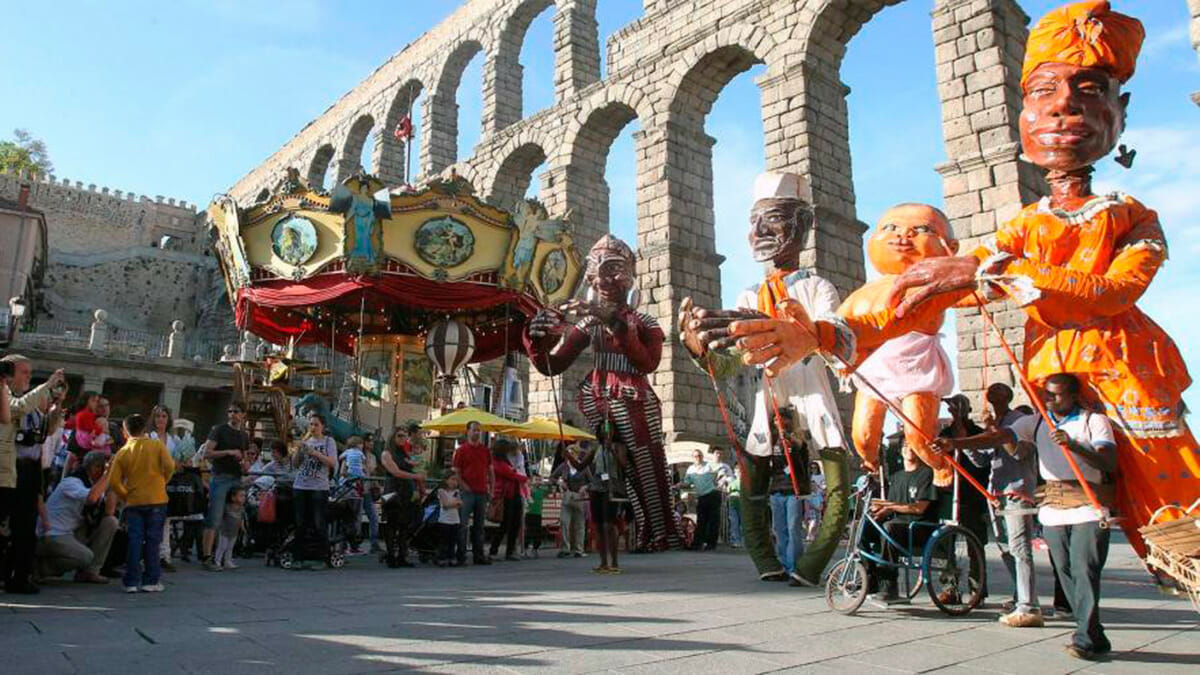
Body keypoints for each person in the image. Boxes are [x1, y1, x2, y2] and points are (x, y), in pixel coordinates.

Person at [678, 172, 850, 581]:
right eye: (753, 222)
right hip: (764, 396)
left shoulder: (817, 286)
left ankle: (810, 565)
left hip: (809, 389)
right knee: (752, 483)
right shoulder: (748, 295)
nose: (757, 232)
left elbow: (841, 338)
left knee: (837, 482)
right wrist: (699, 349)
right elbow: (731, 364)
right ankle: (766, 562)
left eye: (771, 220)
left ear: (802, 225)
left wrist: (809, 335)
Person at [938, 373, 1117, 659]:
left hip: (1088, 504)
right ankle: (1094, 633)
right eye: (1047, 393)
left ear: (1073, 396)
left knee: (1084, 570)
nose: (1049, 399)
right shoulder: (1035, 422)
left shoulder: (1093, 421)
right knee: (1066, 572)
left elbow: (1107, 460)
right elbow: (997, 437)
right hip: (1054, 507)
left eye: (1056, 394)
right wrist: (955, 444)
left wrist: (1073, 445)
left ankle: (1084, 637)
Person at [525, 234, 681, 552]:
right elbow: (553, 365)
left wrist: (610, 320)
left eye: (613, 269)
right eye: (596, 270)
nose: (603, 279)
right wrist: (536, 337)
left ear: (631, 273)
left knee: (647, 466)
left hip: (635, 400)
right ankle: (645, 532)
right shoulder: (589, 323)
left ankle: (663, 532)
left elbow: (647, 363)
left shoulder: (644, 321)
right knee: (624, 467)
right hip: (598, 399)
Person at [965, 383, 1042, 627]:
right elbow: (981, 460)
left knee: (1020, 548)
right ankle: (1021, 595)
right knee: (1006, 548)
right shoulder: (995, 421)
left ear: (1007, 396)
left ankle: (1028, 606)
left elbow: (1018, 453)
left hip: (1017, 491)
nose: (991, 391)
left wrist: (996, 431)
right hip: (996, 493)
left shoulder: (1020, 420)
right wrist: (968, 441)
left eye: (998, 388)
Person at [0, 355, 64, 594]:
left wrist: (57, 407)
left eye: (30, 372)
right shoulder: (8, 396)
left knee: (25, 527)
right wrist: (47, 385)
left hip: (29, 470)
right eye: (24, 372)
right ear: (9, 374)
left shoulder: (32, 405)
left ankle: (20, 576)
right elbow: (18, 408)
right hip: (10, 468)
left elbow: (46, 431)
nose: (28, 377)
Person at [864, 441, 939, 604]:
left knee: (889, 527)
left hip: (918, 528)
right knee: (863, 527)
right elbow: (890, 507)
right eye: (905, 445)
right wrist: (878, 514)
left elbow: (919, 508)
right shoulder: (897, 477)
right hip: (896, 525)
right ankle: (871, 577)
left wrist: (888, 506)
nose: (908, 448)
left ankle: (889, 585)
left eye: (912, 445)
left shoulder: (927, 474)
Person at [107, 413, 175, 593]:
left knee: (134, 540)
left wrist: (125, 495)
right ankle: (151, 580)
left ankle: (131, 581)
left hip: (134, 501)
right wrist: (163, 482)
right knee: (153, 540)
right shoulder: (156, 445)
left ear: (125, 432)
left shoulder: (123, 452)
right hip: (157, 499)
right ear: (145, 429)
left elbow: (113, 481)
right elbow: (170, 466)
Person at [35, 451, 118, 583]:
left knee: (110, 522)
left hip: (71, 531)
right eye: (101, 467)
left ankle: (90, 572)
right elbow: (91, 498)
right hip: (52, 533)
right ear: (94, 467)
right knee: (85, 557)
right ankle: (39, 569)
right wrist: (108, 473)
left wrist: (114, 480)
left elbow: (109, 512)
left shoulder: (94, 484)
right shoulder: (72, 482)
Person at [200, 402, 249, 570]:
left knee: (233, 520)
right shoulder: (219, 430)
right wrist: (228, 452)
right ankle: (207, 556)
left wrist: (245, 464)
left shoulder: (244, 435)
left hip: (236, 477)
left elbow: (245, 458)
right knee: (214, 517)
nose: (232, 414)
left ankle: (225, 557)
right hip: (220, 477)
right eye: (230, 411)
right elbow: (206, 453)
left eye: (236, 411)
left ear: (243, 414)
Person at [290, 414, 338, 568]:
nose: (313, 427)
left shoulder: (328, 441)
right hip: (301, 485)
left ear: (322, 426)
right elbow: (295, 464)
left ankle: (322, 558)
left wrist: (315, 453)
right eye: (311, 424)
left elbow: (332, 462)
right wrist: (298, 451)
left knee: (319, 522)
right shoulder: (306, 441)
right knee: (300, 523)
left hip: (319, 486)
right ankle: (298, 557)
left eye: (316, 424)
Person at [583, 424, 630, 574]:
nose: (606, 431)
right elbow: (581, 465)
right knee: (598, 526)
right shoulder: (596, 448)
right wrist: (568, 456)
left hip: (612, 486)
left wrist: (612, 451)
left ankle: (614, 561)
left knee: (608, 525)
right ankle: (603, 562)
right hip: (597, 486)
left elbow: (623, 465)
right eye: (603, 428)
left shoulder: (619, 446)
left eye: (608, 428)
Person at [381, 426, 425, 567]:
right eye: (399, 435)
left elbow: (414, 466)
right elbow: (395, 472)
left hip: (406, 491)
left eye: (404, 436)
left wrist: (418, 484)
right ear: (393, 437)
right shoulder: (386, 453)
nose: (403, 438)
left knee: (405, 525)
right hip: (392, 490)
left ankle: (402, 556)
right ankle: (391, 557)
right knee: (392, 525)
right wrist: (415, 476)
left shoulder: (404, 453)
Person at [452, 422, 493, 565]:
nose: (477, 433)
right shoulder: (461, 450)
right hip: (467, 492)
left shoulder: (485, 450)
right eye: (474, 430)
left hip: (482, 491)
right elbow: (456, 471)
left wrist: (491, 488)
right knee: (462, 525)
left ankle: (478, 555)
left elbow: (490, 471)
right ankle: (461, 555)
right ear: (468, 431)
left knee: (479, 526)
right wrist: (464, 485)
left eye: (479, 430)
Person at [147, 404, 179, 573]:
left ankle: (164, 555)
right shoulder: (148, 437)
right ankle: (147, 554)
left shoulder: (173, 439)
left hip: (167, 483)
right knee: (148, 519)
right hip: (149, 482)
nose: (160, 419)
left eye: (164, 416)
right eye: (158, 416)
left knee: (165, 519)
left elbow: (177, 460)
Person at [681, 448, 730, 551]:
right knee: (701, 520)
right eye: (695, 456)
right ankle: (697, 544)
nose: (698, 458)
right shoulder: (690, 469)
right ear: (692, 458)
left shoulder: (709, 465)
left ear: (702, 457)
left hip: (713, 494)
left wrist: (721, 479)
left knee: (713, 520)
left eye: (699, 456)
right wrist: (678, 485)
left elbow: (721, 468)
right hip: (702, 496)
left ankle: (711, 544)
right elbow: (687, 482)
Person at [488, 439, 528, 562]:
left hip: (513, 493)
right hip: (506, 495)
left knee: (513, 524)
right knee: (506, 524)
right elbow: (512, 475)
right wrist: (524, 478)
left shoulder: (503, 461)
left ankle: (508, 550)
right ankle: (496, 550)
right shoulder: (499, 463)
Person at [550, 443, 591, 559]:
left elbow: (591, 481)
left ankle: (579, 549)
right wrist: (559, 482)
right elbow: (552, 477)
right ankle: (565, 548)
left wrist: (585, 487)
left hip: (579, 497)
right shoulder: (564, 467)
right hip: (567, 495)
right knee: (564, 522)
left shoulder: (583, 467)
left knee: (579, 524)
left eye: (572, 453)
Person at [212, 484, 246, 571]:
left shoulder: (241, 507)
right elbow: (220, 517)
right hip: (224, 531)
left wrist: (242, 527)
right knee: (222, 547)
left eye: (244, 496)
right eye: (241, 496)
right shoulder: (226, 507)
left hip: (234, 531)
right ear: (233, 497)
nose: (243, 498)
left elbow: (241, 518)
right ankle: (217, 561)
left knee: (230, 547)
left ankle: (227, 561)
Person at [435, 472, 463, 567]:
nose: (454, 482)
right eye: (452, 479)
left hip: (455, 519)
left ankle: (451, 557)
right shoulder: (441, 491)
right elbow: (445, 505)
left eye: (456, 480)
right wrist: (455, 504)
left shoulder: (456, 492)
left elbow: (460, 503)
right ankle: (441, 557)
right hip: (445, 520)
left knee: (452, 540)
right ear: (446, 480)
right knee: (444, 540)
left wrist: (454, 504)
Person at [524, 476, 548, 559]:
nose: (538, 482)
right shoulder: (530, 489)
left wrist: (545, 484)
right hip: (530, 513)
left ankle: (535, 549)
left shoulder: (542, 490)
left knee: (537, 532)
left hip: (538, 514)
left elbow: (549, 490)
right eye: (536, 480)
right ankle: (526, 549)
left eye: (539, 480)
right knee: (529, 531)